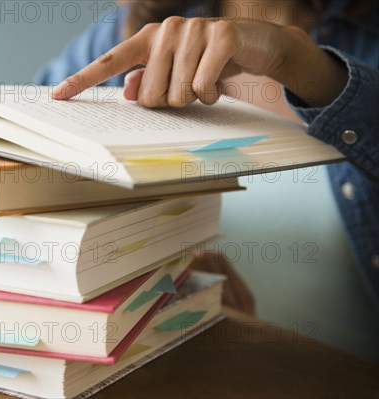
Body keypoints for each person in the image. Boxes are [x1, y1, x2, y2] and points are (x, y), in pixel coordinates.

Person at [34, 0, 379, 312]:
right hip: (179, 372)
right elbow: (19, 179)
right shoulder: (132, 30)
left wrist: (304, 67)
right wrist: (154, 259)